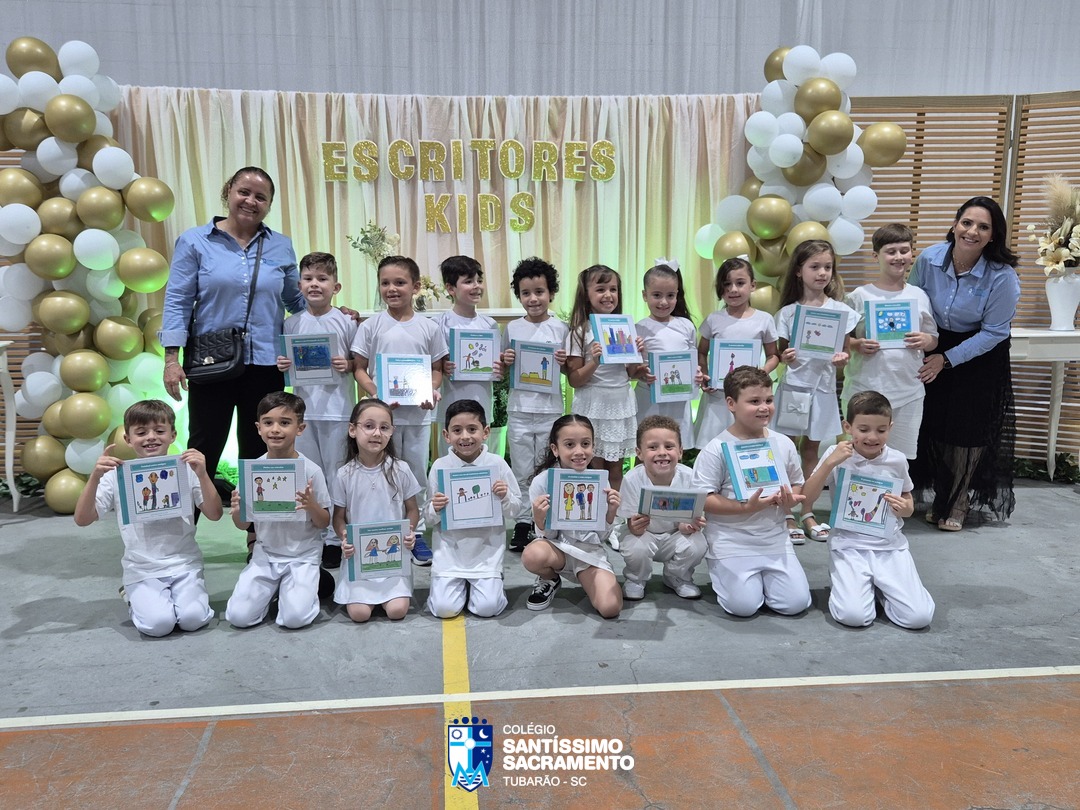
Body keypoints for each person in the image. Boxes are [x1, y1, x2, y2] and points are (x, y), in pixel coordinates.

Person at [160, 167, 304, 548]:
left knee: (262, 451)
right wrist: (171, 359)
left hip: (266, 365)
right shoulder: (195, 242)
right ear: (229, 192)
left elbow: (296, 300)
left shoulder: (281, 246)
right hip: (212, 364)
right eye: (244, 192)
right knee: (203, 449)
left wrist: (334, 314)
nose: (251, 201)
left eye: (261, 197)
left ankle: (261, 539)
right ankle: (178, 540)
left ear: (269, 205)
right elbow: (177, 300)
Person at [908, 196, 1020, 531]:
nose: (972, 231)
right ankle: (941, 494)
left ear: (993, 235)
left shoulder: (1002, 276)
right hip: (935, 342)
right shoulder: (929, 258)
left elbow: (995, 332)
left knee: (966, 432)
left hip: (979, 355)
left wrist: (947, 359)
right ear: (955, 224)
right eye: (967, 222)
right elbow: (911, 301)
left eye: (983, 227)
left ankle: (958, 500)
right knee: (934, 423)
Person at [74, 400, 222, 637]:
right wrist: (95, 477)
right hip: (142, 568)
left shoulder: (186, 469)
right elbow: (82, 519)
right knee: (158, 625)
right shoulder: (117, 475)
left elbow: (214, 514)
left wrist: (202, 474)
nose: (151, 437)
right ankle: (133, 596)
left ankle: (177, 595)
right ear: (128, 439)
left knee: (193, 619)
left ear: (173, 435)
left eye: (159, 431)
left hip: (184, 563)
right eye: (141, 432)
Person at [800, 392, 936, 629]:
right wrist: (830, 463)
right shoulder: (836, 455)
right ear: (848, 427)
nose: (872, 437)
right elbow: (806, 498)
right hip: (849, 545)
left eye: (881, 430)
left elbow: (907, 498)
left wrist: (906, 508)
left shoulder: (897, 459)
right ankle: (853, 586)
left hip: (889, 546)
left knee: (918, 618)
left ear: (890, 427)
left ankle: (882, 590)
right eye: (863, 429)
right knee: (853, 617)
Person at [691, 366, 811, 617]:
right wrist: (745, 508)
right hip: (731, 540)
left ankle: (764, 582)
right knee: (743, 607)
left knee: (795, 603)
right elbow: (704, 498)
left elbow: (796, 482)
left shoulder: (783, 443)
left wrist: (790, 499)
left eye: (768, 400)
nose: (764, 407)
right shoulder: (716, 448)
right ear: (731, 403)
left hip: (774, 538)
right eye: (754, 401)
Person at [351, 255, 447, 564]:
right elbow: (359, 368)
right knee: (381, 472)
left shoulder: (429, 327)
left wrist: (430, 391)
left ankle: (415, 534)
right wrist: (376, 394)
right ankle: (383, 531)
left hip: (417, 416)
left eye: (400, 282)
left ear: (415, 287)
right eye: (385, 283)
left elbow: (436, 370)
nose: (392, 289)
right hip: (381, 419)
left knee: (415, 473)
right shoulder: (372, 326)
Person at [276, 252, 357, 569]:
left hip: (339, 411)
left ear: (336, 287)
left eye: (322, 279)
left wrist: (348, 364)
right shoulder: (291, 323)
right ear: (299, 285)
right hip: (304, 414)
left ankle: (336, 538)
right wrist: (284, 364)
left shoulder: (347, 321)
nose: (315, 284)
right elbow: (286, 364)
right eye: (308, 279)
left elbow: (359, 362)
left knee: (337, 474)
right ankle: (314, 534)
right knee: (308, 474)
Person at [773, 240, 858, 543]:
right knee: (785, 449)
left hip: (822, 390)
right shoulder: (788, 313)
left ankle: (807, 511)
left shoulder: (841, 311)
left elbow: (846, 351)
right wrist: (786, 357)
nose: (822, 273)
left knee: (812, 450)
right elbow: (781, 353)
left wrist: (842, 359)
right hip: (793, 390)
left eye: (827, 267)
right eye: (815, 267)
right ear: (799, 271)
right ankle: (785, 512)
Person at [224, 392, 332, 629]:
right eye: (268, 422)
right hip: (266, 554)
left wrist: (312, 506)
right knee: (238, 617)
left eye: (284, 423)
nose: (275, 429)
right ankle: (277, 590)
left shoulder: (310, 471)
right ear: (258, 428)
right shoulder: (253, 470)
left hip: (302, 555)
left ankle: (306, 582)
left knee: (295, 619)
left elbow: (324, 522)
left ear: (300, 428)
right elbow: (243, 525)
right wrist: (237, 511)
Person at [843, 225, 938, 460]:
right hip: (864, 390)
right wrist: (857, 344)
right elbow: (839, 340)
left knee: (900, 460)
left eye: (904, 251)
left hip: (908, 392)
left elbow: (933, 340)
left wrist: (926, 339)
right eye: (891, 251)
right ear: (876, 256)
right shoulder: (859, 296)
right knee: (858, 458)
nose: (898, 257)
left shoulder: (919, 295)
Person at [425, 400, 522, 618]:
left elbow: (515, 510)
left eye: (472, 429)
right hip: (449, 553)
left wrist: (505, 495)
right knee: (444, 609)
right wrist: (434, 507)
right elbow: (428, 518)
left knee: (487, 608)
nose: (465, 436)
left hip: (486, 553)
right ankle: (460, 586)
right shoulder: (440, 466)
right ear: (446, 435)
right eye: (457, 430)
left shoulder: (497, 464)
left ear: (485, 432)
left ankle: (485, 585)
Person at [522, 415, 622, 618]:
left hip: (589, 552)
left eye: (585, 444)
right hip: (557, 549)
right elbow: (547, 536)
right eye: (569, 444)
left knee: (610, 608)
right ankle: (550, 578)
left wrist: (611, 513)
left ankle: (590, 578)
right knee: (533, 555)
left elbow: (601, 537)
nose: (579, 451)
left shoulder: (600, 482)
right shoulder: (542, 482)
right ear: (555, 449)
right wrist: (539, 519)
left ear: (593, 446)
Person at [500, 258, 568, 552]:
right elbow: (501, 369)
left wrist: (564, 363)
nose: (533, 299)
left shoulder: (561, 328)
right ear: (519, 296)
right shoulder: (513, 328)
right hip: (519, 410)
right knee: (521, 470)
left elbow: (569, 370)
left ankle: (546, 522)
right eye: (526, 293)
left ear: (551, 293)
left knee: (547, 468)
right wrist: (505, 360)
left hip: (550, 411)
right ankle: (523, 522)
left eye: (539, 292)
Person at [333, 399, 421, 623]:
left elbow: (412, 509)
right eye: (369, 426)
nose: (376, 433)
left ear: (391, 432)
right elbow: (338, 518)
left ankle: (392, 592)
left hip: (393, 558)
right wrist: (344, 537)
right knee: (359, 614)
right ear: (353, 430)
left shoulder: (401, 469)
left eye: (384, 427)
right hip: (359, 558)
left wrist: (409, 531)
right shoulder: (344, 474)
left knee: (397, 611)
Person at [565, 265, 638, 496]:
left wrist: (637, 354)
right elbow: (575, 380)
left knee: (616, 470)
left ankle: (614, 512)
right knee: (594, 468)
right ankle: (594, 511)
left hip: (620, 403)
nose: (608, 295)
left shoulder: (624, 328)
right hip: (593, 405)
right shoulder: (579, 332)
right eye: (600, 289)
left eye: (613, 289)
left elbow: (630, 373)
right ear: (586, 294)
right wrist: (595, 361)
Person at [617, 415, 707, 601]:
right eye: (652, 447)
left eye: (669, 446)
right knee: (635, 546)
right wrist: (635, 526)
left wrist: (687, 525)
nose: (662, 452)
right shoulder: (632, 479)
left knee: (698, 544)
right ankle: (636, 579)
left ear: (680, 451)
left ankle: (677, 576)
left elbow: (688, 520)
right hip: (644, 534)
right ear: (639, 453)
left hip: (675, 535)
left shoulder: (689, 477)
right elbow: (630, 523)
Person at [694, 256, 780, 449]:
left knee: (748, 446)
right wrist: (705, 374)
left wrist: (764, 371)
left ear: (752, 285)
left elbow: (774, 355)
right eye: (727, 284)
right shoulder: (713, 319)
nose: (733, 289)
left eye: (740, 283)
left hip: (749, 397)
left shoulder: (764, 319)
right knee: (715, 447)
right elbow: (701, 352)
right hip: (718, 397)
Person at [631, 261, 702, 448]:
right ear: (645, 295)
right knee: (647, 446)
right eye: (657, 295)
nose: (663, 302)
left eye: (670, 295)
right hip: (649, 399)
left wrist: (696, 375)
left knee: (674, 446)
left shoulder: (686, 326)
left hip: (679, 401)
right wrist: (641, 373)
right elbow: (630, 370)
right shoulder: (638, 328)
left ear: (677, 295)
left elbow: (692, 362)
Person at [435, 256, 500, 456]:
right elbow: (432, 364)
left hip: (481, 398)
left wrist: (500, 368)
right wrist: (442, 366)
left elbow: (497, 366)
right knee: (449, 456)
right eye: (468, 281)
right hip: (450, 399)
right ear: (450, 288)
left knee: (480, 455)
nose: (476, 286)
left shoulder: (489, 325)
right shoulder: (439, 323)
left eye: (479, 280)